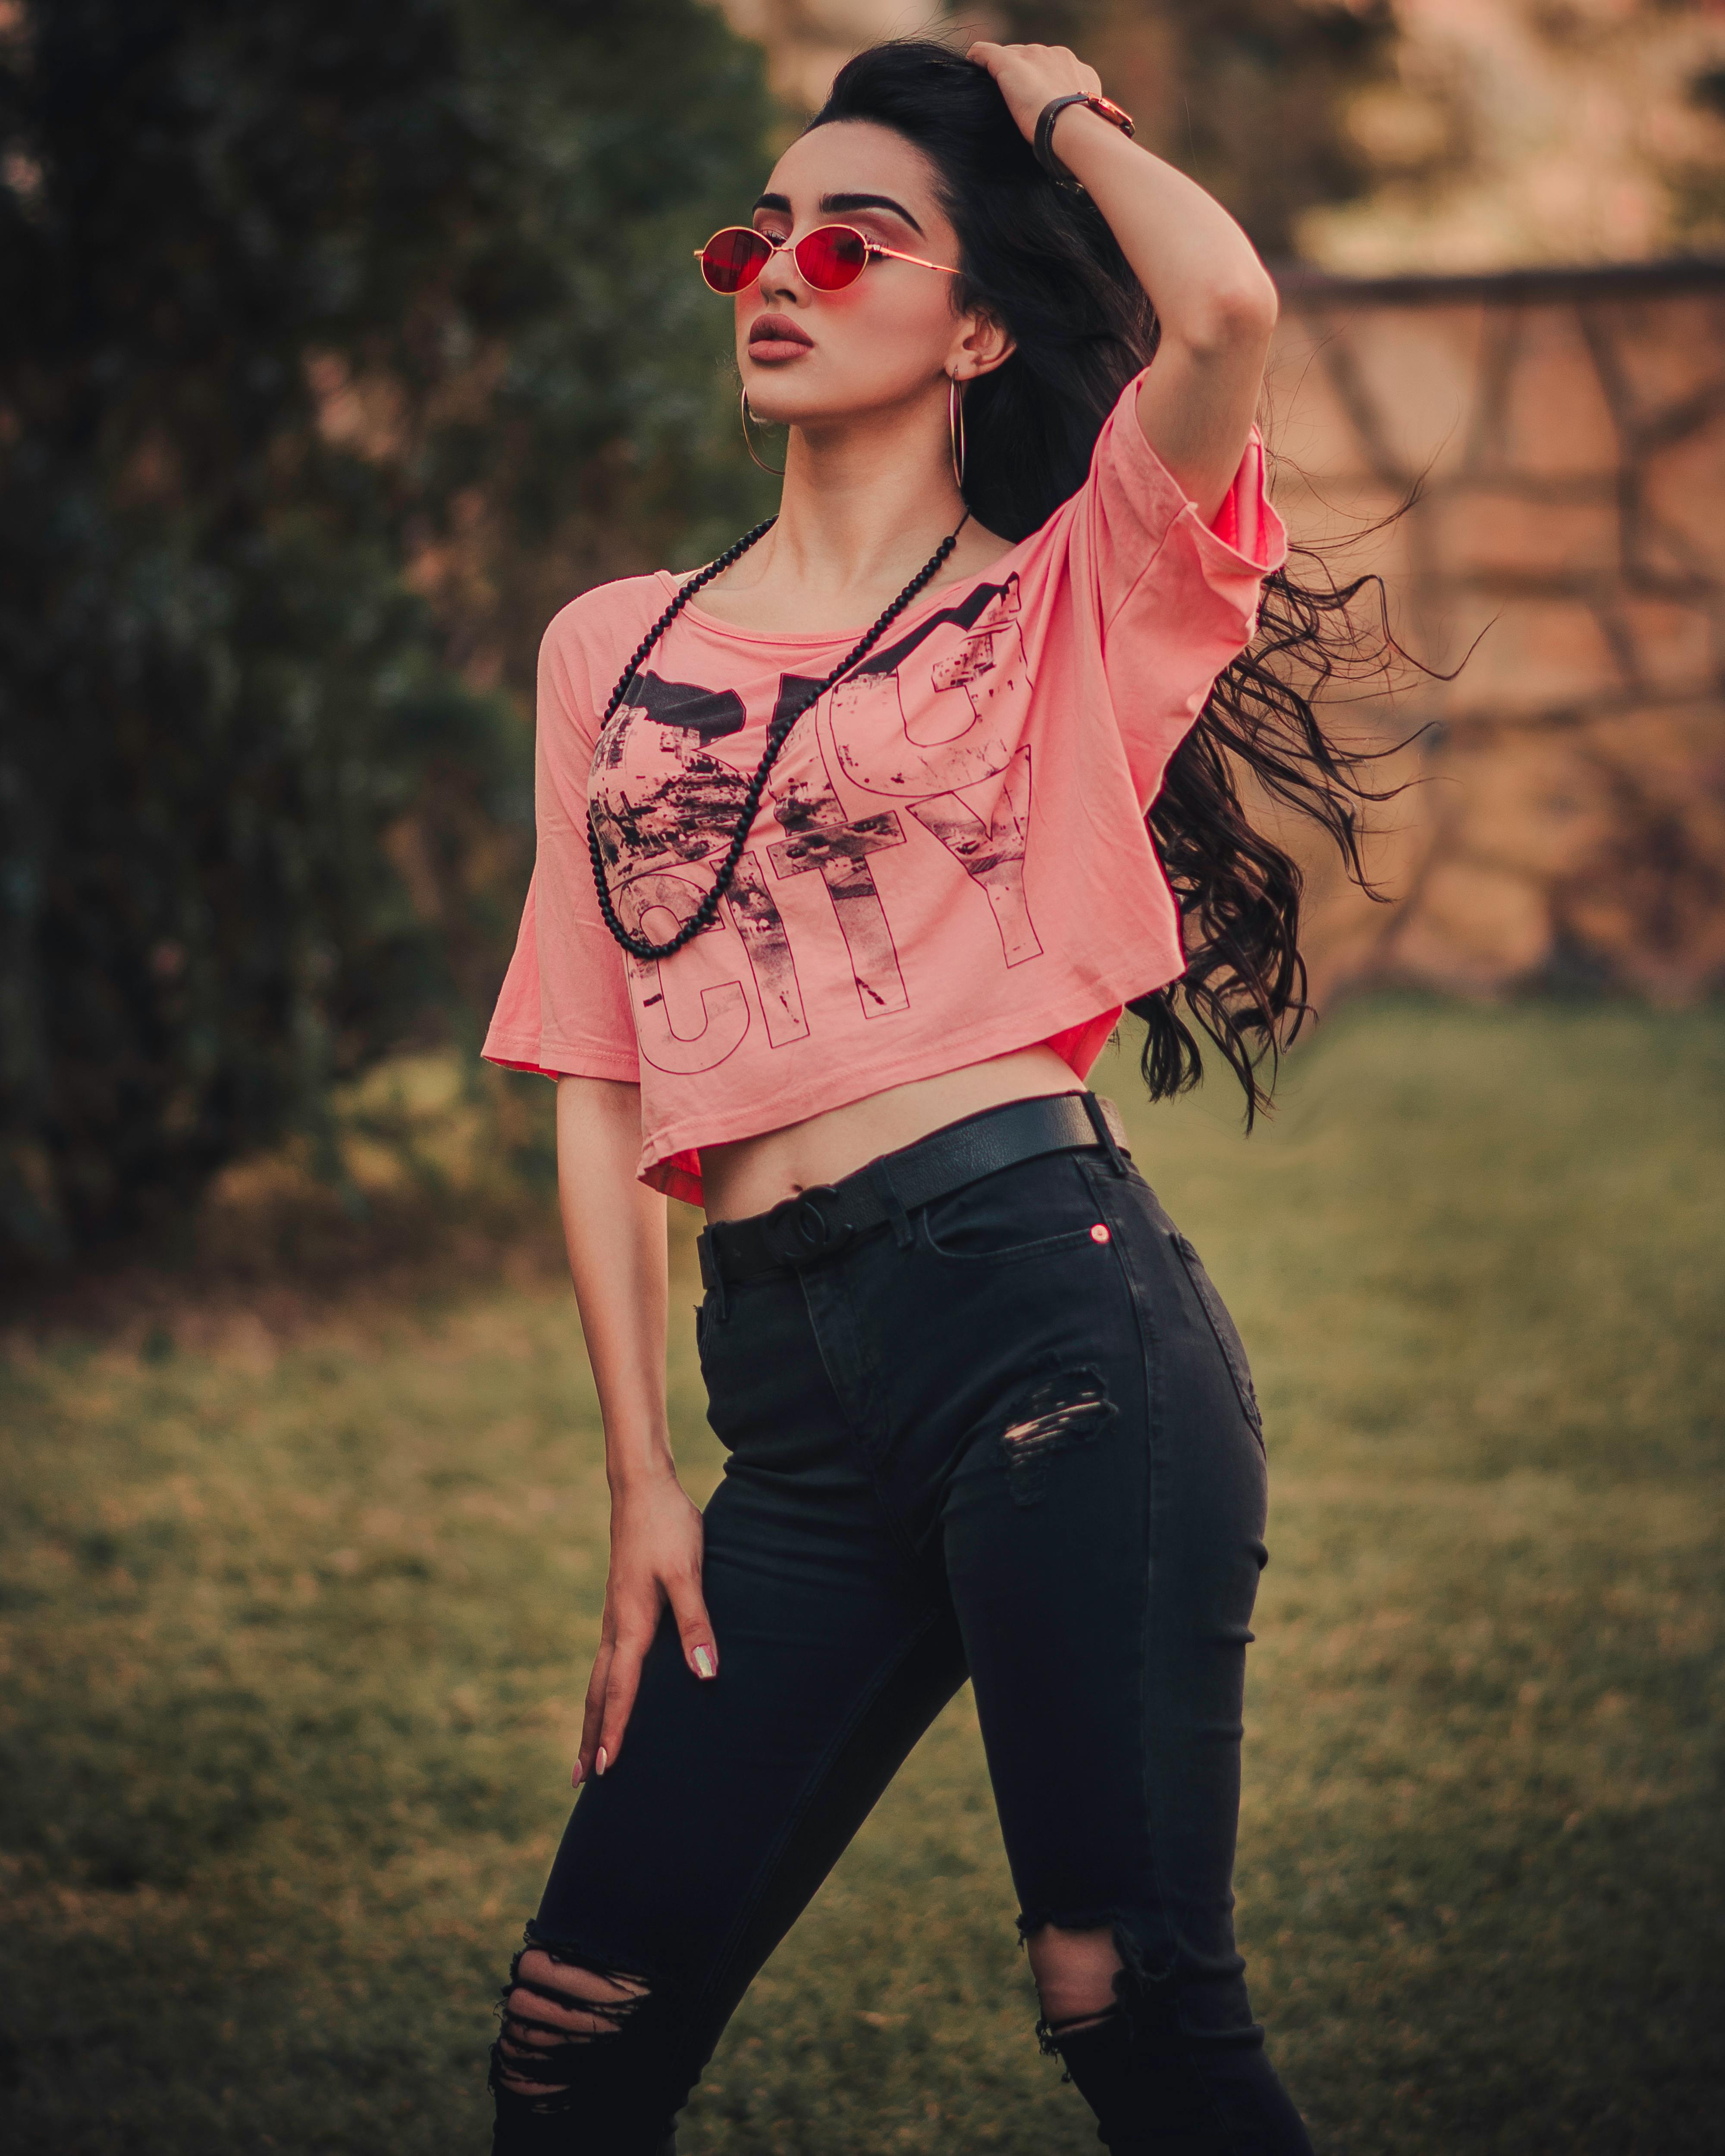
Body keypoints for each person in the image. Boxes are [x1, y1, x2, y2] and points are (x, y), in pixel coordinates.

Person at [480, 35, 1382, 2156]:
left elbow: (1226, 309)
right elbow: (597, 1061)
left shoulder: (1074, 593)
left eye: (854, 241)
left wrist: (1043, 100)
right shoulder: (610, 645)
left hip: (1043, 1329)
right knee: (570, 2026)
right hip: (779, 1391)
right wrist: (639, 1477)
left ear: (979, 320)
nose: (780, 274)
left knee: (1126, 1993)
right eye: (756, 239)